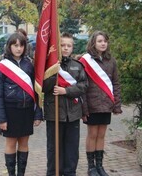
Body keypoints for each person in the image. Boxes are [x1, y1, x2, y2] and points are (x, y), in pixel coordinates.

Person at [0, 33, 42, 176]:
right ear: (9, 46)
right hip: (10, 110)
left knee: (24, 143)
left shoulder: (29, 65)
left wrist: (38, 113)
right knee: (11, 143)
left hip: (26, 110)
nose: (18, 48)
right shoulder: (1, 67)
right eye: (15, 45)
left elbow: (37, 90)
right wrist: (1, 119)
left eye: (21, 45)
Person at [43, 32, 88, 176]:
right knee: (54, 148)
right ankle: (54, 172)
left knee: (71, 148)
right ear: (57, 46)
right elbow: (43, 87)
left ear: (73, 47)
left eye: (69, 45)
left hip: (73, 114)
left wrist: (66, 91)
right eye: (62, 45)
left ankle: (70, 172)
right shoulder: (49, 65)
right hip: (54, 113)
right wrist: (53, 71)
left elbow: (83, 86)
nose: (66, 48)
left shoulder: (78, 65)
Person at [79, 31, 122, 176]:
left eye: (105, 41)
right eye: (99, 41)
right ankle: (91, 167)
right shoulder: (85, 61)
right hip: (92, 104)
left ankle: (99, 166)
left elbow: (115, 83)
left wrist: (116, 104)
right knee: (92, 134)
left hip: (106, 104)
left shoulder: (111, 61)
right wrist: (83, 109)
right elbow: (82, 85)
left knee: (102, 135)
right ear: (93, 43)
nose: (103, 43)